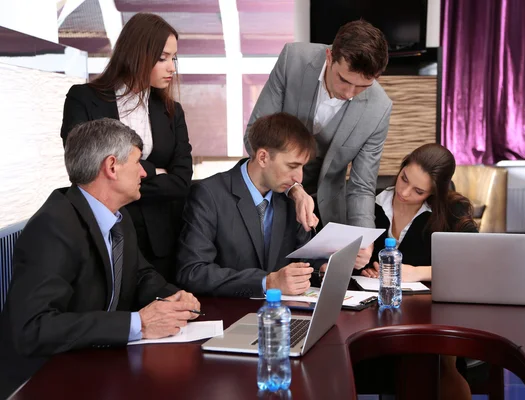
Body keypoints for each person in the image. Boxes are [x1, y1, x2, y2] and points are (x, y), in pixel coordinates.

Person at [0, 119, 200, 398]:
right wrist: (138, 324)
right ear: (112, 166)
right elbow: (33, 328)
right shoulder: (53, 226)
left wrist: (175, 297)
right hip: (44, 380)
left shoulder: (119, 216)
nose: (144, 172)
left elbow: (139, 274)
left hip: (92, 364)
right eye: (138, 162)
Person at [243, 19, 393, 271]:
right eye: (344, 80)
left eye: (363, 86)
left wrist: (364, 238)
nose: (349, 93)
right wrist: (294, 188)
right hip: (267, 194)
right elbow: (255, 137)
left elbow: (361, 185)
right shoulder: (293, 60)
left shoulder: (379, 108)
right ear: (329, 56)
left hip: (324, 213)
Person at [60, 13, 192, 283]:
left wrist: (126, 175)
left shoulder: (171, 111)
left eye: (173, 58)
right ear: (138, 53)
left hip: (160, 240)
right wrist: (156, 171)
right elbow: (87, 169)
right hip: (101, 234)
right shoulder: (83, 99)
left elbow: (181, 182)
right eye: (162, 58)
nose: (171, 68)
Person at [177, 113, 325, 297]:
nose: (299, 178)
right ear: (263, 157)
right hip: (229, 314)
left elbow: (306, 258)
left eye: (302, 167)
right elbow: (193, 272)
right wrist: (267, 282)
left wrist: (325, 266)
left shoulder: (291, 197)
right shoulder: (209, 195)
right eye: (291, 166)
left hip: (284, 313)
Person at [360, 143, 478, 281]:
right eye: (404, 179)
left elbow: (475, 262)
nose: (404, 192)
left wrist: (418, 273)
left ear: (434, 192)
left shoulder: (452, 211)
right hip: (375, 297)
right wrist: (364, 269)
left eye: (418, 191)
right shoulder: (369, 203)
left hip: (429, 299)